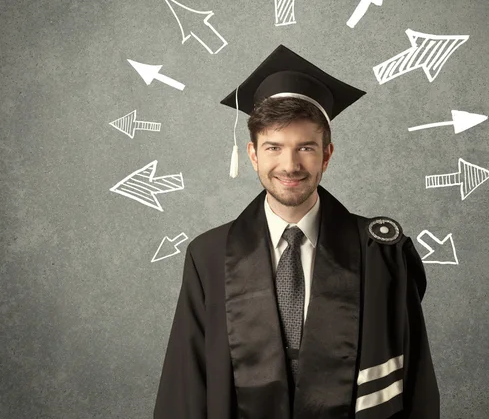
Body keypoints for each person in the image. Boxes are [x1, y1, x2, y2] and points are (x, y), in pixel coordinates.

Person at [153, 45, 440, 418]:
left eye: (305, 147)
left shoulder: (381, 253)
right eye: (274, 147)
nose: (289, 166)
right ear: (253, 154)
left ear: (327, 153)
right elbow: (185, 384)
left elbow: (414, 382)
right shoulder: (208, 255)